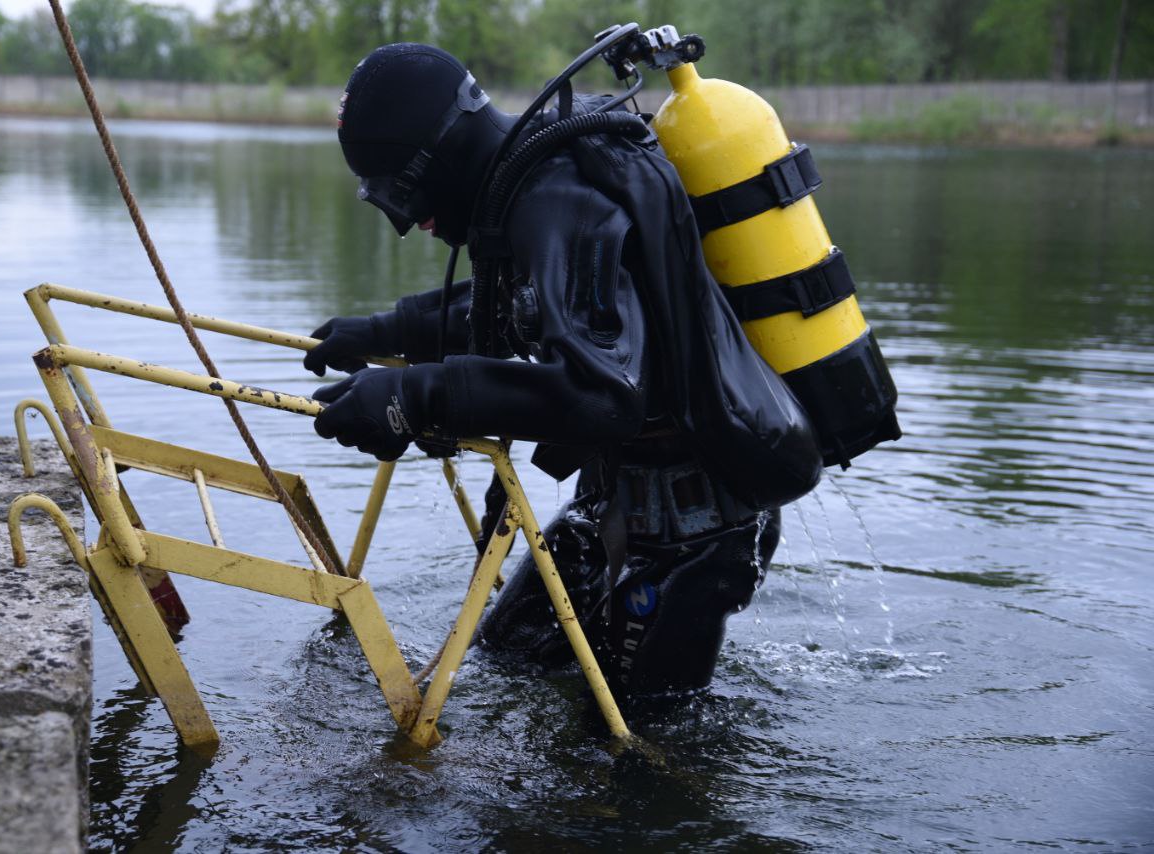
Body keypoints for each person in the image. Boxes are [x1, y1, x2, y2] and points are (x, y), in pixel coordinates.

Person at [307, 43, 823, 699]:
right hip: (617, 503)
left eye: (402, 195)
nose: (411, 224)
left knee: (634, 758)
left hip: (697, 530)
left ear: (436, 159)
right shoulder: (537, 174)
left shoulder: (557, 198)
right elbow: (537, 306)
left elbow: (605, 396)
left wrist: (413, 396)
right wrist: (389, 332)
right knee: (507, 664)